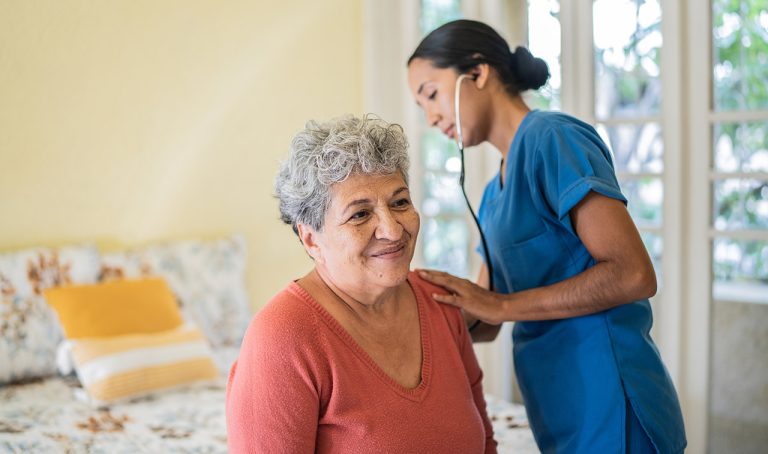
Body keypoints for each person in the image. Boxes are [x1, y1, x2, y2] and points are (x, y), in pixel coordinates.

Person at [406, 19, 686, 453]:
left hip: (610, 402)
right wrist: (402, 317)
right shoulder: (491, 194)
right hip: (558, 411)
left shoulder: (553, 138)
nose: (431, 118)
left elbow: (633, 274)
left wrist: (499, 304)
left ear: (477, 74)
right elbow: (485, 316)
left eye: (431, 95)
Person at [226, 114, 497, 453]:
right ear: (311, 239)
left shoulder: (439, 301)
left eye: (400, 202)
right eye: (360, 214)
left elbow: (483, 441)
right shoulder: (282, 336)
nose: (393, 231)